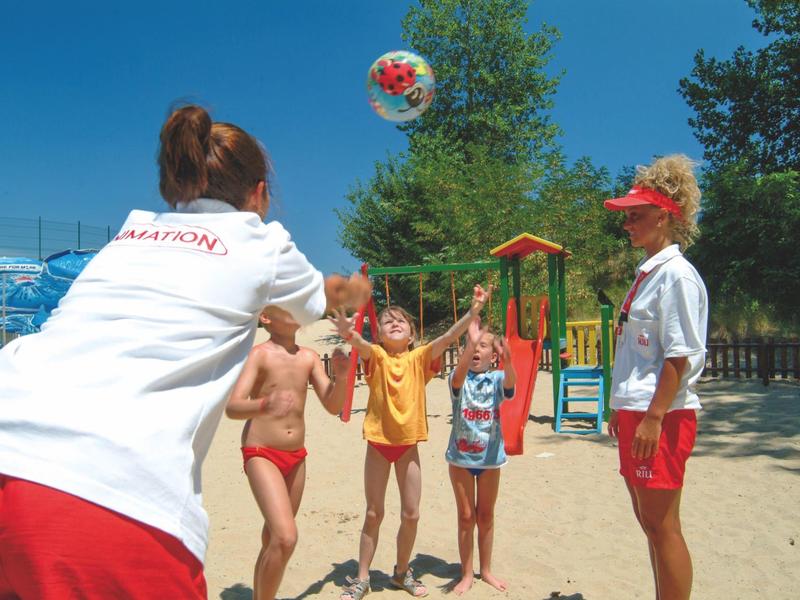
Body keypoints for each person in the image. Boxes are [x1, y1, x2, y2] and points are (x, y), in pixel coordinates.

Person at [0, 104, 370, 598]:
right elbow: (315, 302)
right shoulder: (261, 242)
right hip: (111, 488)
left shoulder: (131, 233)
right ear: (259, 194)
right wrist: (347, 293)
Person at [331, 285, 490, 600]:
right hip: (378, 443)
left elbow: (446, 338)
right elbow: (362, 345)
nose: (394, 322)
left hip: (408, 446)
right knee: (374, 512)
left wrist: (473, 313)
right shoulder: (376, 356)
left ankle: (401, 573)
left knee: (411, 513)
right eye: (388, 321)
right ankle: (362, 578)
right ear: (380, 335)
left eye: (401, 321)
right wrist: (350, 335)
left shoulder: (419, 358)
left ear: (412, 334)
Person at [604, 154, 708, 600]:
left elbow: (679, 355)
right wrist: (620, 407)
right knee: (648, 522)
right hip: (638, 411)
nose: (627, 224)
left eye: (636, 216)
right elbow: (637, 351)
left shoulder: (677, 277)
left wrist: (653, 416)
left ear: (663, 216)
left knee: (664, 527)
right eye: (626, 216)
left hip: (660, 417)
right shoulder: (646, 274)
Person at [226, 306, 350, 600]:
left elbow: (333, 406)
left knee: (273, 538)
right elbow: (233, 406)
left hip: (296, 457)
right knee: (285, 537)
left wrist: (342, 378)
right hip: (261, 452)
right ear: (266, 318)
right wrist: (263, 405)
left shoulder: (308, 357)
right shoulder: (260, 354)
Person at [446, 317, 516, 596]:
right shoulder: (457, 378)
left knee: (485, 515)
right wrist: (471, 341)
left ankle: (485, 570)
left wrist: (508, 362)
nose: (476, 350)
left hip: (489, 460)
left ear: (493, 354)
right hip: (461, 459)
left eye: (483, 346)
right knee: (466, 516)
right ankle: (466, 573)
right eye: (471, 346)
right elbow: (460, 374)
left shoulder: (497, 378)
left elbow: (510, 385)